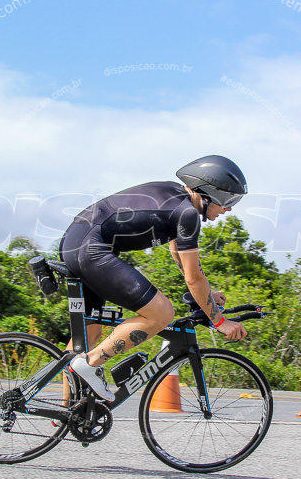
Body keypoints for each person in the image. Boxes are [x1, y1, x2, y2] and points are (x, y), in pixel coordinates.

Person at [58, 155, 249, 401]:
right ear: (207, 193)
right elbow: (194, 279)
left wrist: (204, 294)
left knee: (87, 336)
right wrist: (221, 322)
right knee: (161, 313)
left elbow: (180, 257)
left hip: (78, 242)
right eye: (228, 199)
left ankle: (67, 413)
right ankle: (91, 364)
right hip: (91, 249)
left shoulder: (176, 198)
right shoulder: (188, 213)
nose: (229, 208)